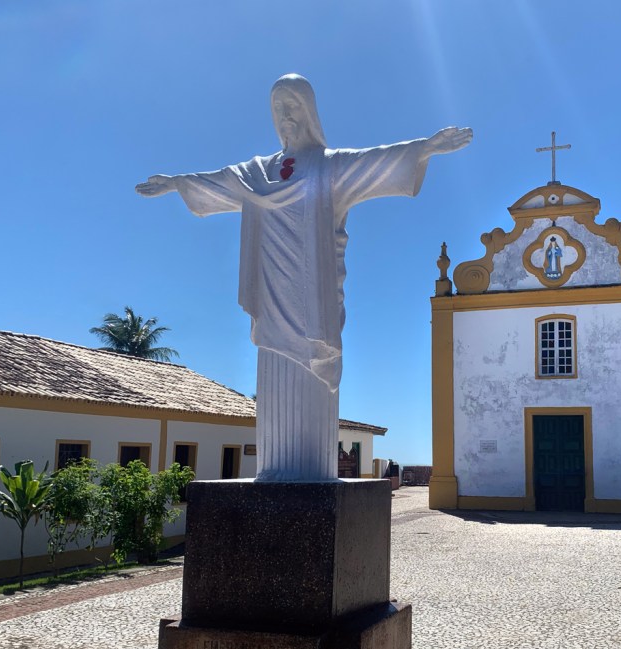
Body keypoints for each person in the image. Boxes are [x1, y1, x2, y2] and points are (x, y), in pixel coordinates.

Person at [137, 74, 471, 480]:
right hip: (270, 298)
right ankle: (274, 471)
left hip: (313, 302)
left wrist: (424, 148)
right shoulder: (257, 172)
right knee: (273, 374)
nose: (285, 115)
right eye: (278, 108)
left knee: (314, 372)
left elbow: (377, 160)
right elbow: (217, 182)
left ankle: (310, 473)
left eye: (292, 105)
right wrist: (176, 183)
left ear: (309, 112)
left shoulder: (330, 168)